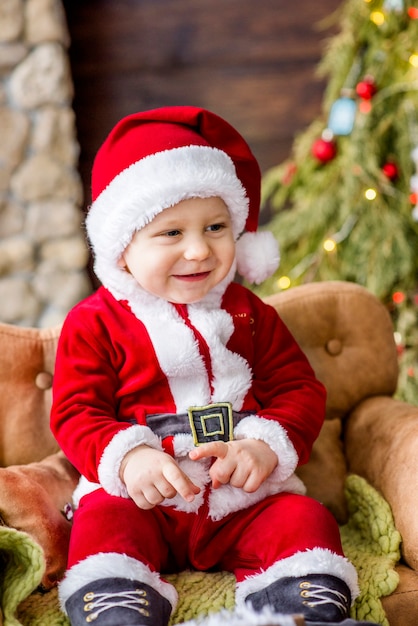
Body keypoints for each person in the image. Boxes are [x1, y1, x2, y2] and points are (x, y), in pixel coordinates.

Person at [50, 106, 379, 626]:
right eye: (171, 234)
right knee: (103, 521)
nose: (200, 249)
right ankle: (118, 596)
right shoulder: (94, 324)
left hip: (239, 499)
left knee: (303, 516)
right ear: (122, 249)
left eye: (216, 226)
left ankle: (298, 598)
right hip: (145, 499)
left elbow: (299, 390)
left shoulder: (251, 314)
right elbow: (75, 412)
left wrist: (264, 446)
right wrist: (129, 458)